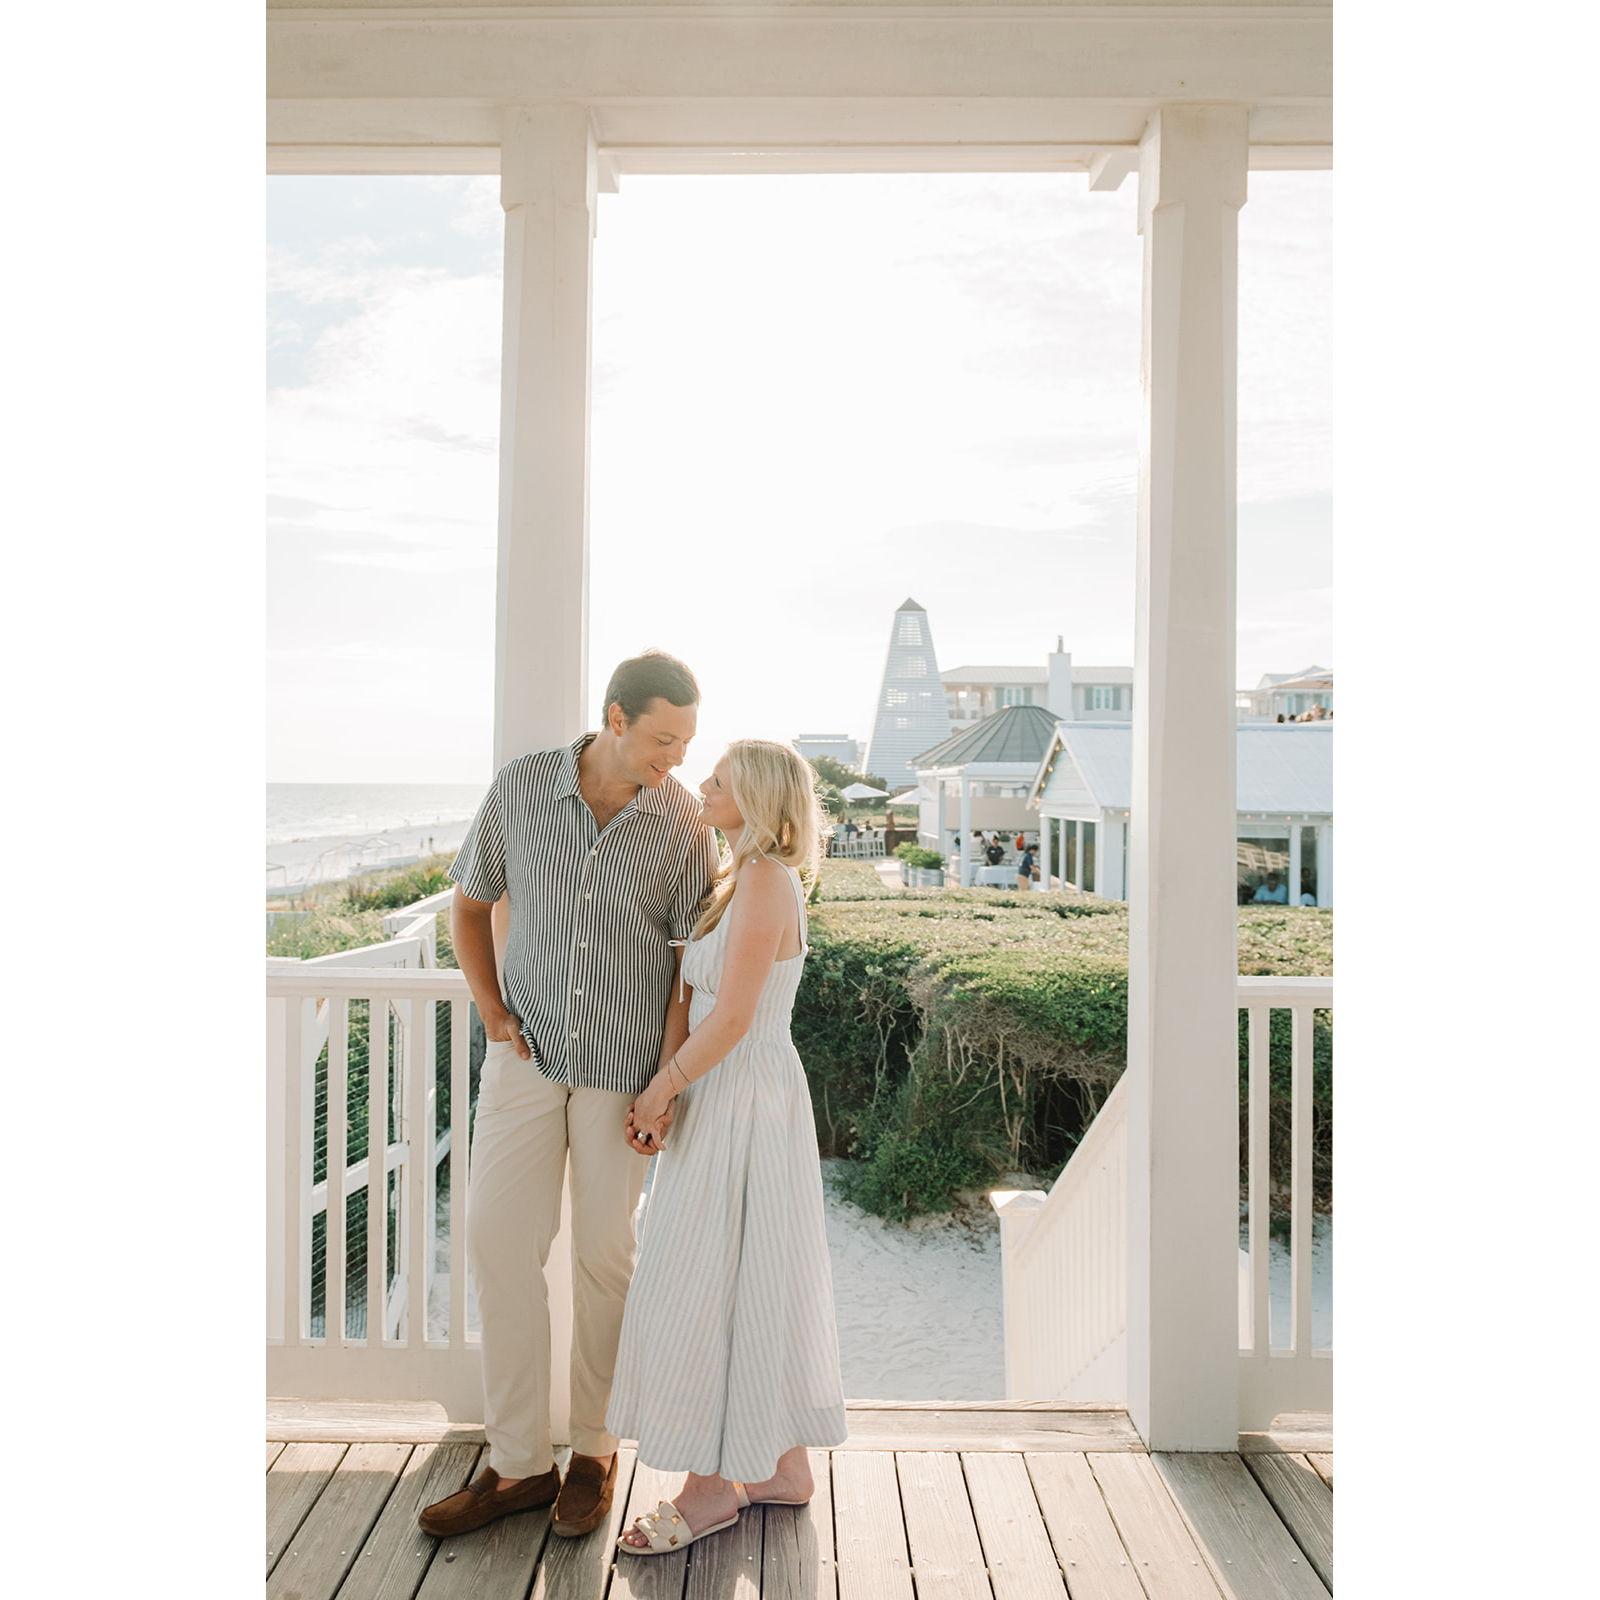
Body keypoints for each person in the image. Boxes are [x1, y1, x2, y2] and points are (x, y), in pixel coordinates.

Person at [417, 652, 719, 1542]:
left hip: (623, 1072)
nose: (677, 757)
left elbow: (685, 967)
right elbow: (469, 905)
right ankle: (517, 1463)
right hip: (526, 1058)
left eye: (687, 742)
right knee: (498, 1244)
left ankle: (594, 1451)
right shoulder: (522, 788)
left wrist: (665, 1081)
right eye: (664, 738)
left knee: (602, 1256)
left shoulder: (683, 822)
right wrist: (490, 1009)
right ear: (615, 719)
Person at [609, 740, 848, 1557]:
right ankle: (781, 1469)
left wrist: (660, 1089)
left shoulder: (767, 880)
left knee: (710, 1279)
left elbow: (737, 1015)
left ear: (757, 796)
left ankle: (711, 1490)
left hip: (748, 1096)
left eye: (719, 779)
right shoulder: (730, 879)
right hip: (720, 1092)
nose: (703, 786)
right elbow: (688, 998)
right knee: (737, 1272)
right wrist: (668, 1088)